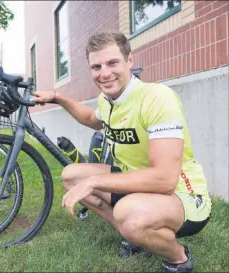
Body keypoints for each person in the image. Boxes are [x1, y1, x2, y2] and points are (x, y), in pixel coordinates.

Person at [30, 31, 211, 273]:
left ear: (129, 61)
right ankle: (135, 237)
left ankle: (178, 258)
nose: (104, 73)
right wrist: (57, 97)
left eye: (112, 63)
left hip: (184, 195)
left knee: (128, 213)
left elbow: (165, 180)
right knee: (72, 176)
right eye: (96, 66)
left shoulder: (157, 98)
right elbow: (91, 118)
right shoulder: (107, 99)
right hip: (136, 182)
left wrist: (94, 182)